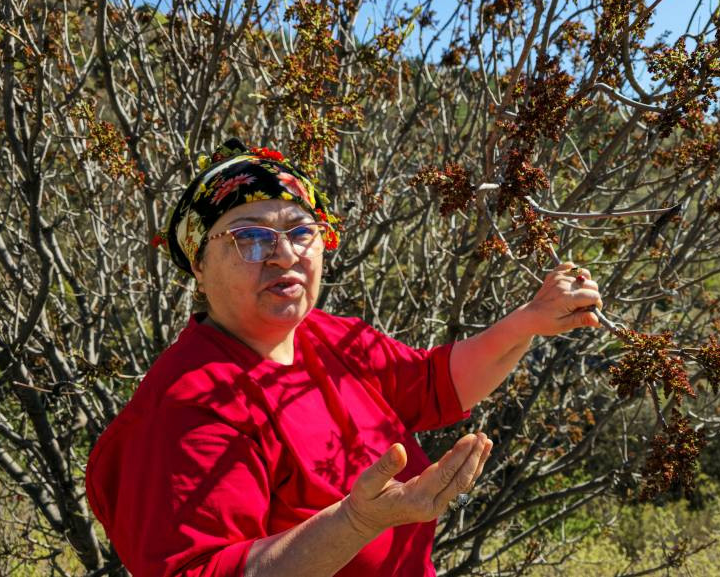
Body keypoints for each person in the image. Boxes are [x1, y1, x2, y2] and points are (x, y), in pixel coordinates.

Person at [84, 138, 603, 577]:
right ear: (199, 264)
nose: (284, 253)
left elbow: (436, 382)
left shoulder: (327, 338)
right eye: (250, 238)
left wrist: (532, 319)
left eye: (299, 231)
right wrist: (356, 522)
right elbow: (201, 569)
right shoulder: (192, 403)